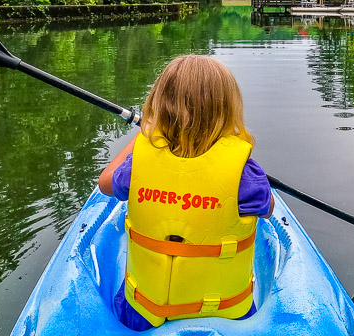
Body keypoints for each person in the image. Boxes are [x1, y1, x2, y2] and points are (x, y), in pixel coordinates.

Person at [99, 55, 274, 331]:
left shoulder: (137, 165)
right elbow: (269, 208)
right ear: (228, 111)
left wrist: (143, 137)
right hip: (226, 320)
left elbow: (105, 182)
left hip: (142, 315)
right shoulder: (247, 177)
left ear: (159, 107)